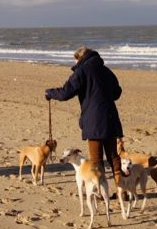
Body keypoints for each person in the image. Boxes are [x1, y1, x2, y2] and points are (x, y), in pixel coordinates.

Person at [45, 46, 123, 189]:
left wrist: (50, 93)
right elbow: (117, 93)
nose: (75, 64)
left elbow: (65, 93)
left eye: (75, 60)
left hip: (94, 120)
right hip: (110, 117)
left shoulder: (82, 71)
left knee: (96, 159)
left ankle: (98, 191)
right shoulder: (106, 71)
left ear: (79, 58)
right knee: (113, 156)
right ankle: (121, 190)